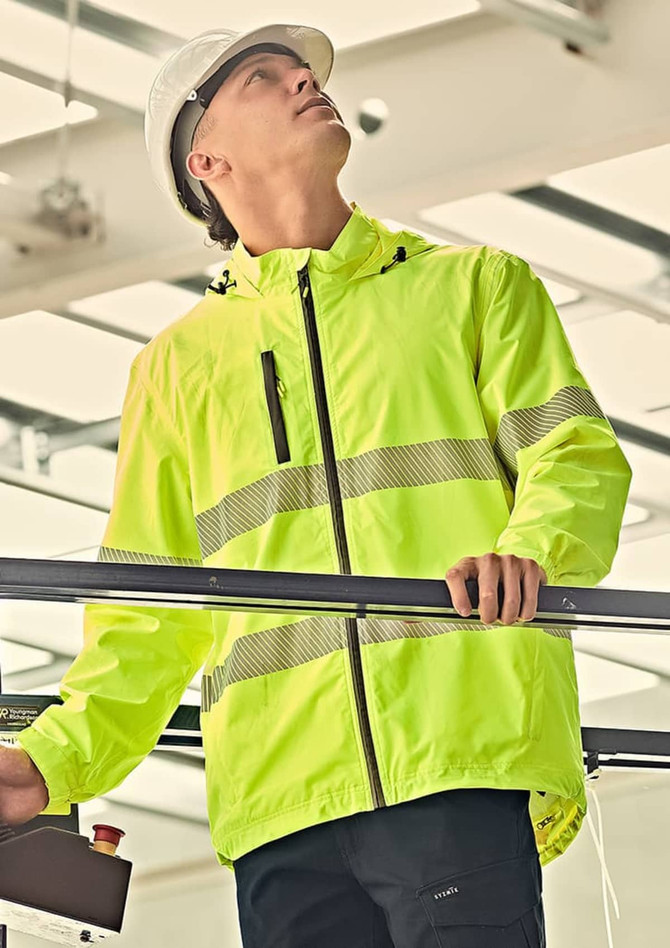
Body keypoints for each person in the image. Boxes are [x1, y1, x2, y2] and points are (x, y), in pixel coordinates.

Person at [2, 22, 631, 948]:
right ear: (205, 160)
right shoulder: (175, 369)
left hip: (458, 758)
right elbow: (149, 609)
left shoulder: (475, 288)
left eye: (301, 69)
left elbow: (576, 456)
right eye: (263, 77)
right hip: (280, 804)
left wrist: (531, 550)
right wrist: (52, 762)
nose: (304, 78)